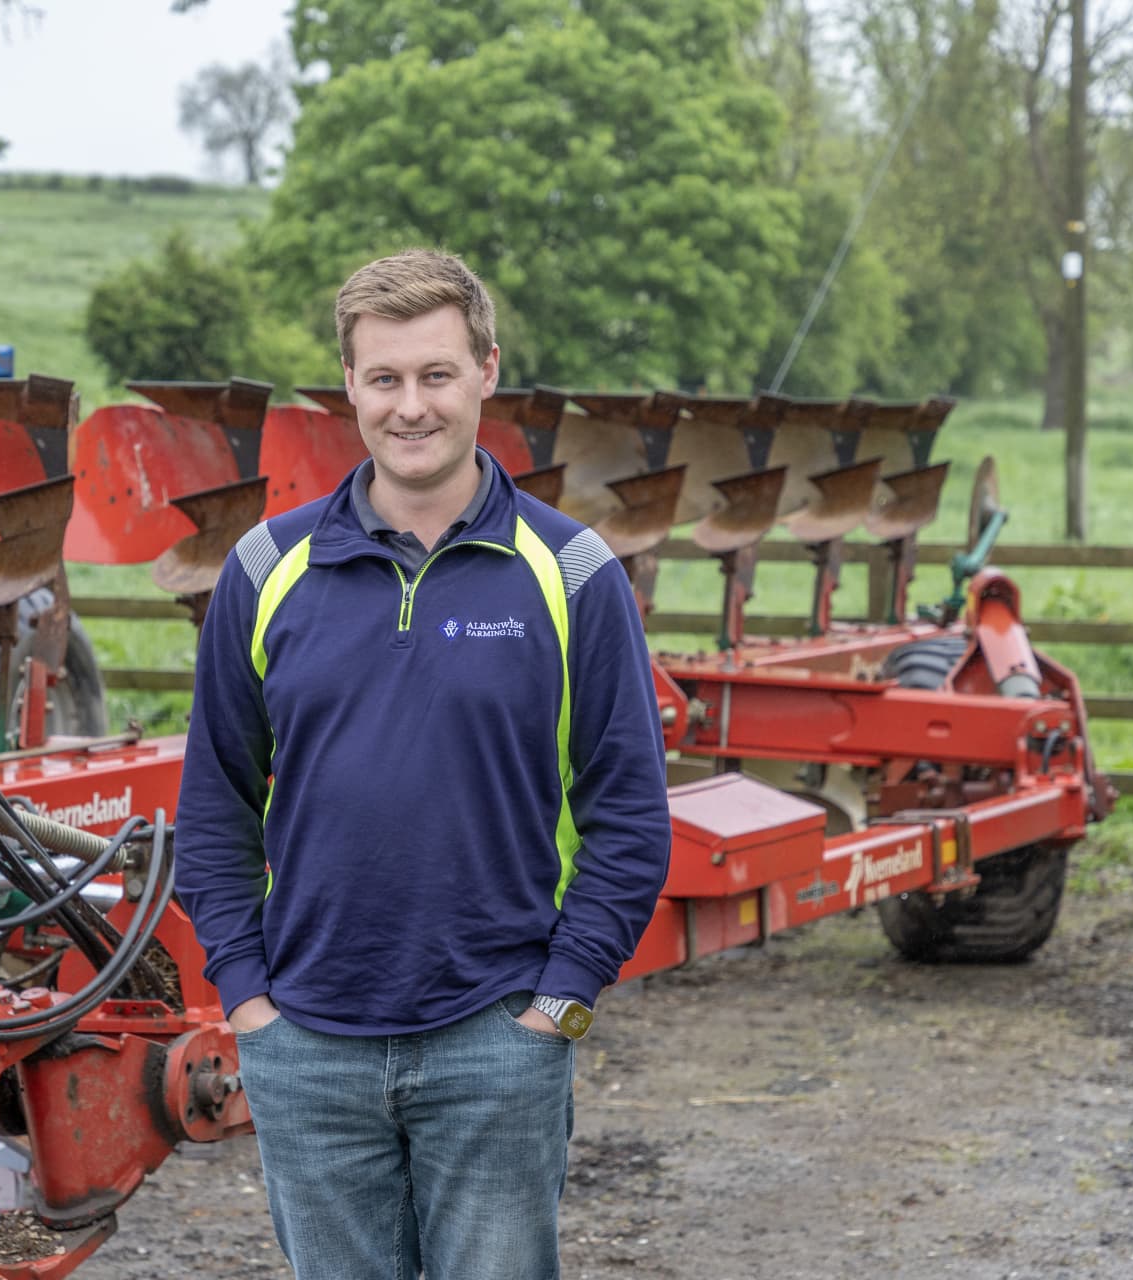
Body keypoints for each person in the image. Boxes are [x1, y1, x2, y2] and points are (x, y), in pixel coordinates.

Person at [175, 248, 672, 1279]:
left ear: (487, 370)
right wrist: (250, 1000)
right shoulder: (268, 570)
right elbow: (216, 805)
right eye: (386, 377)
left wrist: (559, 1002)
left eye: (437, 374)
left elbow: (629, 817)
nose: (412, 406)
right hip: (307, 1044)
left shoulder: (572, 574)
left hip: (495, 1039)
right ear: (348, 384)